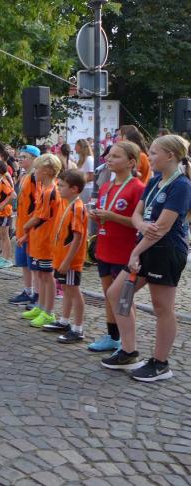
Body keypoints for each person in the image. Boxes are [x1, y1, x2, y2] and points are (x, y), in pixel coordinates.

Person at [101, 135, 191, 381]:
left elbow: (162, 228)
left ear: (170, 156)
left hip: (165, 251)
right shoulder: (153, 181)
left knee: (162, 307)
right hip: (145, 247)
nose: (148, 157)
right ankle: (129, 352)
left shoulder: (181, 185)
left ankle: (161, 363)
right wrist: (141, 226)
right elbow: (137, 215)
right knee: (117, 293)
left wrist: (135, 251)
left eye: (152, 153)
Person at [86, 141, 144, 352]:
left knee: (124, 298)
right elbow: (106, 215)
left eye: (116, 156)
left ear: (131, 162)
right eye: (109, 156)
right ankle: (113, 336)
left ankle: (128, 344)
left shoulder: (138, 188)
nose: (109, 159)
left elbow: (139, 223)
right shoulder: (106, 186)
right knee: (108, 295)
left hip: (124, 251)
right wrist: (96, 215)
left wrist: (112, 216)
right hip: (104, 248)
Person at [41, 169, 89, 343]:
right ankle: (64, 321)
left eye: (61, 186)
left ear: (74, 189)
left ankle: (78, 328)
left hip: (71, 260)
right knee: (67, 289)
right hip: (62, 257)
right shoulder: (68, 203)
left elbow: (77, 237)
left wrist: (68, 261)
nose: (58, 188)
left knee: (73, 291)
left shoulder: (77, 207)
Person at [19, 154, 63, 328]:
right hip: (39, 239)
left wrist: (26, 227)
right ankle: (41, 306)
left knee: (47, 276)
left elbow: (40, 217)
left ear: (47, 171)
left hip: (46, 241)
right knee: (40, 275)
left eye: (37, 168)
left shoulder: (50, 191)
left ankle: (48, 312)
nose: (34, 172)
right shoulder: (44, 189)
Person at [9, 146, 42, 306]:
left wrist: (29, 228)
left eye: (24, 157)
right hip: (22, 225)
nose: (20, 159)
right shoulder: (24, 176)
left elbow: (37, 205)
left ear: (35, 159)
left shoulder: (36, 178)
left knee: (33, 265)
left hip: (31, 228)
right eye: (20, 157)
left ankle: (37, 294)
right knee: (23, 263)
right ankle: (28, 291)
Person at [0, 160, 15, 268]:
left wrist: (4, 204)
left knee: (5, 236)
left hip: (4, 213)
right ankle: (4, 256)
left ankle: (8, 259)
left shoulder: (4, 182)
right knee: (1, 236)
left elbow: (13, 195)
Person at [75, 138, 95, 203]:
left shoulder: (89, 159)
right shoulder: (81, 160)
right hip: (82, 188)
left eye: (76, 146)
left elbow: (92, 177)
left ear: (81, 147)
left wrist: (78, 180)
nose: (74, 148)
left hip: (87, 189)